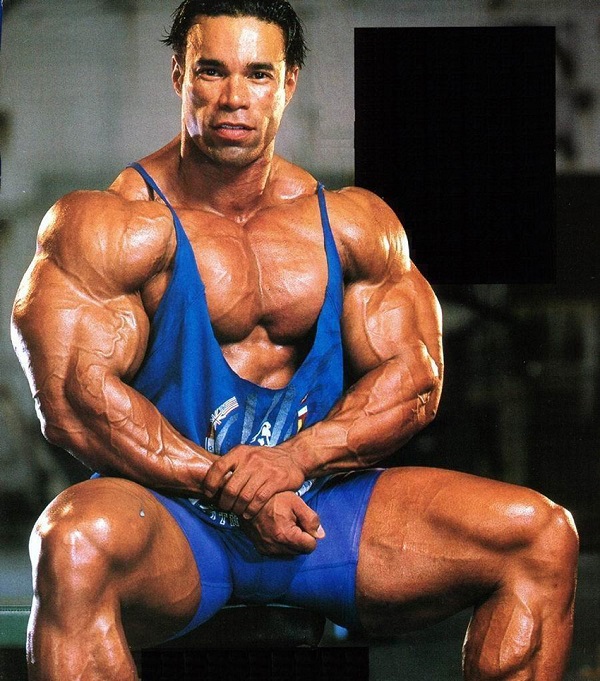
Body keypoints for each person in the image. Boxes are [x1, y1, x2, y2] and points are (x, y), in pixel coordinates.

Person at [11, 1, 578, 679]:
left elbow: (416, 378)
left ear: (289, 83)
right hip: (173, 516)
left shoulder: (352, 223)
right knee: (72, 542)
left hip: (319, 512)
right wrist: (236, 487)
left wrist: (294, 462)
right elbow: (74, 401)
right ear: (179, 75)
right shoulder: (111, 226)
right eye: (212, 71)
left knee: (542, 535)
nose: (234, 97)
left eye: (258, 74)